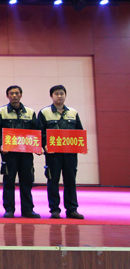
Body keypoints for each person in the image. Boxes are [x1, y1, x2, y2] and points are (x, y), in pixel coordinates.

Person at [0, 85, 41, 218]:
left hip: (26, 154)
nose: (14, 96)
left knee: (27, 181)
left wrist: (37, 146)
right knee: (9, 181)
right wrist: (1, 144)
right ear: (7, 96)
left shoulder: (30, 112)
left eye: (17, 93)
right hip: (9, 154)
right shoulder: (1, 111)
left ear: (21, 95)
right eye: (11, 93)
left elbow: (36, 131)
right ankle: (9, 209)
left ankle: (28, 210)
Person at [38, 85, 85, 219]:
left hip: (70, 154)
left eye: (61, 94)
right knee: (53, 180)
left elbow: (79, 131)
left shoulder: (73, 113)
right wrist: (44, 145)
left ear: (65, 95)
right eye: (56, 94)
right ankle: (54, 210)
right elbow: (40, 132)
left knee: (70, 180)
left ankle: (72, 209)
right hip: (53, 154)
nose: (59, 96)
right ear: (51, 96)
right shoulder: (44, 112)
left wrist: (82, 145)